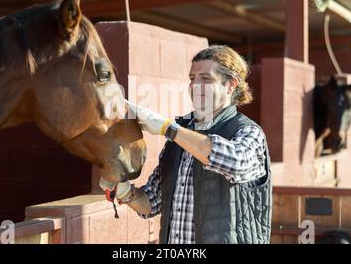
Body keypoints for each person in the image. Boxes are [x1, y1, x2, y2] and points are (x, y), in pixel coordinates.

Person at [100, 45, 272, 244]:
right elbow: (152, 202)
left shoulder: (248, 132)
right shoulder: (178, 139)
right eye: (192, 79)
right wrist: (123, 190)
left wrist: (168, 129)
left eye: (206, 79)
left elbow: (235, 163)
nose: (195, 85)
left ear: (231, 85)